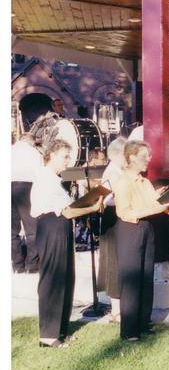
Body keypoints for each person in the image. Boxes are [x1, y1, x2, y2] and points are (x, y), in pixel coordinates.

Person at [30, 139, 103, 347]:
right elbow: (68, 211)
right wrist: (92, 207)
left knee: (65, 278)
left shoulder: (53, 178)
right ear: (51, 154)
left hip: (61, 227)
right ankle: (48, 335)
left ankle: (60, 330)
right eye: (64, 156)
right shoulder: (44, 178)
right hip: (51, 227)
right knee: (53, 280)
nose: (67, 161)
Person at [112, 140, 169, 341]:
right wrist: (158, 208)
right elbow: (124, 212)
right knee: (131, 280)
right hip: (130, 229)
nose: (149, 160)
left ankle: (143, 322)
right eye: (145, 156)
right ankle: (129, 331)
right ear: (132, 157)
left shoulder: (144, 182)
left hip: (147, 228)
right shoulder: (123, 181)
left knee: (145, 276)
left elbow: (155, 204)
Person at [97, 137, 127, 323]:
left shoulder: (119, 171)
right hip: (112, 218)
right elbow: (108, 199)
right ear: (117, 155)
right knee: (114, 262)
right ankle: (116, 311)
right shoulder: (112, 172)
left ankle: (120, 306)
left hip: (118, 217)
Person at [11, 132, 43, 273]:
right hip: (26, 187)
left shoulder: (10, 150)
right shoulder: (34, 153)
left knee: (11, 231)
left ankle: (17, 266)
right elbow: (40, 174)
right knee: (32, 229)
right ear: (31, 142)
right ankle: (32, 265)